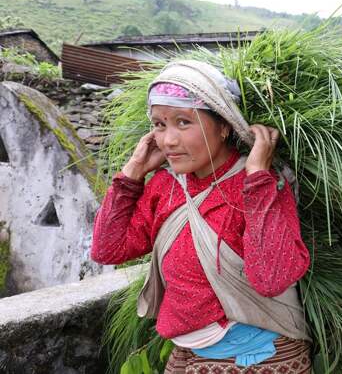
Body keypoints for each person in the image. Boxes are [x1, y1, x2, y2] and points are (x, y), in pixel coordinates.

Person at [91, 60, 312, 373]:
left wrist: (258, 176)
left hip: (259, 357)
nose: (168, 140)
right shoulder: (165, 186)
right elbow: (107, 250)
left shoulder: (260, 186)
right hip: (187, 353)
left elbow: (271, 278)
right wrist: (132, 173)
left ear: (223, 126)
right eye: (159, 124)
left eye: (183, 122)